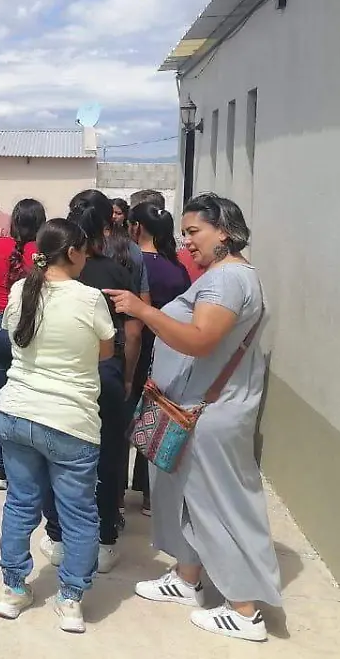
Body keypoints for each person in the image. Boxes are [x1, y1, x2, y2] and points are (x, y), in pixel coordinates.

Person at [105, 193, 280, 642]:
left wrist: (142, 310)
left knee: (221, 506)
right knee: (189, 499)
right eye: (185, 232)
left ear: (224, 231)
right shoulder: (225, 277)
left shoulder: (226, 282)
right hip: (194, 409)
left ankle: (244, 610)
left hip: (210, 414)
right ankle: (187, 579)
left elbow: (201, 339)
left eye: (194, 231)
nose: (187, 241)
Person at [0, 218, 116, 633]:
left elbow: (14, 339)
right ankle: (70, 600)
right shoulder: (89, 298)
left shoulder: (19, 290)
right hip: (69, 422)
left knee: (20, 503)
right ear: (74, 253)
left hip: (15, 415)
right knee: (78, 514)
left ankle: (12, 590)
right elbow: (105, 351)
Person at [38, 191, 141, 576]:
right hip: (105, 370)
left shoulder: (42, 278)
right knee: (108, 454)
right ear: (105, 226)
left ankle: (58, 535)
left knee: (58, 453)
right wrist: (128, 374)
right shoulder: (117, 272)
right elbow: (131, 333)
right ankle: (105, 541)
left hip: (61, 373)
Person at [123, 201, 192, 515]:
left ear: (136, 227)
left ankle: (117, 494)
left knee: (125, 417)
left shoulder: (134, 263)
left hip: (136, 349)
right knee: (154, 417)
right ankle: (149, 494)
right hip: (168, 351)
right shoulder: (177, 268)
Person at [0, 198, 46, 490]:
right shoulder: (42, 254)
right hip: (27, 326)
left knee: (0, 399)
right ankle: (26, 468)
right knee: (31, 398)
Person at [130, 189, 206, 282]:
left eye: (193, 231)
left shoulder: (132, 263)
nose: (187, 240)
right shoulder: (178, 265)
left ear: (137, 225)